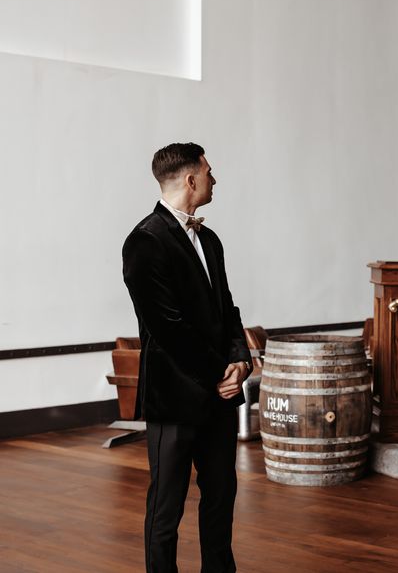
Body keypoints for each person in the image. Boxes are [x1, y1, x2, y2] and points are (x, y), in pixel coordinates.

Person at [122, 142, 252, 572]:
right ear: (191, 179)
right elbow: (167, 328)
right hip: (175, 397)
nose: (215, 179)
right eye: (210, 172)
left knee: (220, 500)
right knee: (166, 508)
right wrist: (219, 372)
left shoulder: (210, 239)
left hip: (219, 397)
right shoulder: (144, 240)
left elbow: (227, 309)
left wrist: (240, 362)